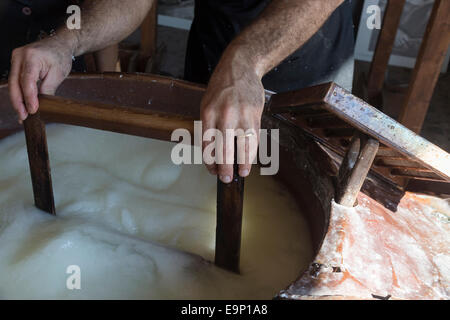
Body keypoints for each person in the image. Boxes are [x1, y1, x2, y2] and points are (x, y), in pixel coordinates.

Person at [8, 0, 354, 184]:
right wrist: (67, 41)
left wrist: (247, 62)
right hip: (215, 48)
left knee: (294, 176)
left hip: (306, 56)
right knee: (202, 179)